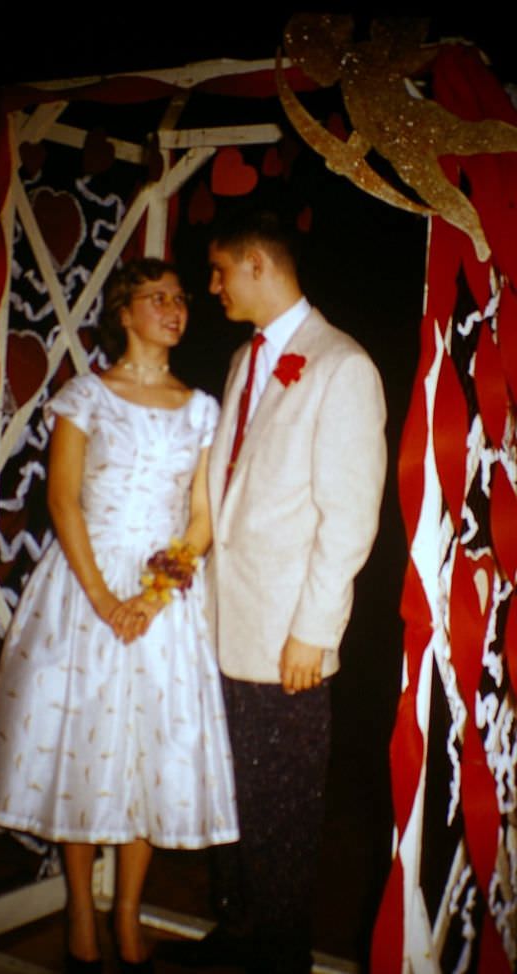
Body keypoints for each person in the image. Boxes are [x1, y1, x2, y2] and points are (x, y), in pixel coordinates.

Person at [0, 258, 238, 974]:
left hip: (164, 597)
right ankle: (80, 915)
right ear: (125, 312)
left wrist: (151, 599)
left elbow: (202, 515)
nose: (176, 308)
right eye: (159, 298)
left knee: (148, 753)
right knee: (81, 742)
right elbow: (63, 502)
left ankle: (127, 912)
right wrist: (104, 600)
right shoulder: (84, 396)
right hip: (86, 587)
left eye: (181, 298)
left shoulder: (203, 407)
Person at [203, 210, 387, 973]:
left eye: (218, 272)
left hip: (288, 637)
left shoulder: (342, 366)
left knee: (283, 811)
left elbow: (349, 518)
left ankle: (277, 955)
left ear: (255, 265)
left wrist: (314, 629)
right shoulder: (247, 362)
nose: (211, 287)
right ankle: (237, 927)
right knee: (232, 795)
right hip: (224, 622)